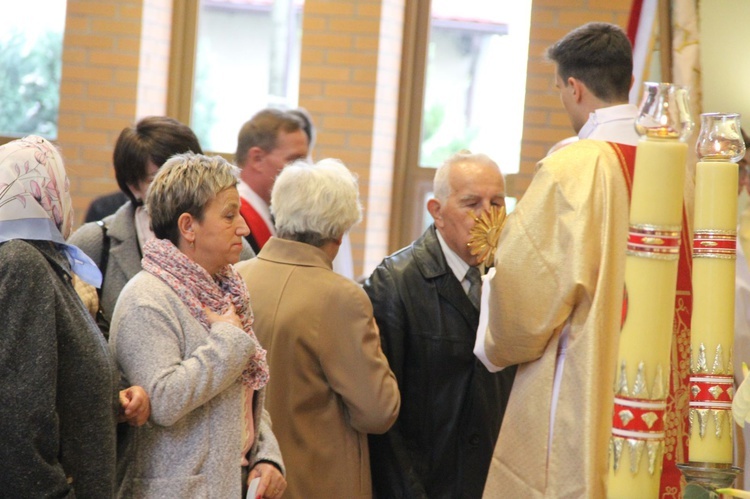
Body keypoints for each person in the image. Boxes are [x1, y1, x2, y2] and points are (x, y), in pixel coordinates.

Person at [475, 22, 693, 496]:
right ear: (628, 82)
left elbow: (529, 289)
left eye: (558, 89)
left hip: (587, 376)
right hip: (668, 381)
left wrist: (494, 312)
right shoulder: (682, 166)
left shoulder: (575, 164)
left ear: (573, 87)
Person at [109, 153, 286, 498]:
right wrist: (228, 342)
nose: (244, 228)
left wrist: (266, 456)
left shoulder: (226, 289)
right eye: (229, 215)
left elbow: (242, 395)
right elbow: (162, 401)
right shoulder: (147, 299)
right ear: (188, 226)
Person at [236, 158, 401, 498]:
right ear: (340, 232)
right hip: (316, 479)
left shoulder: (236, 278)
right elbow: (378, 411)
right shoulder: (342, 299)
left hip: (244, 477)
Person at [0, 135, 149, 496]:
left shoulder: (46, 259)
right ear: (39, 193)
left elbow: (58, 381)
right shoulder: (23, 261)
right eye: (62, 185)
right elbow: (20, 413)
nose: (67, 197)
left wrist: (114, 397)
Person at [364, 151, 516, 498]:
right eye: (471, 204)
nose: (487, 217)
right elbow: (385, 415)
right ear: (437, 211)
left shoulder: (511, 278)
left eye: (496, 203)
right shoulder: (396, 282)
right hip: (425, 485)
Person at [68, 116, 255, 337]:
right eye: (158, 179)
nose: (176, 188)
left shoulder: (231, 244)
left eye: (186, 177)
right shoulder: (95, 242)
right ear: (133, 186)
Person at [235, 108, 309, 253]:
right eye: (294, 160)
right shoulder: (235, 217)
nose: (304, 170)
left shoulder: (275, 214)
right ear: (257, 159)